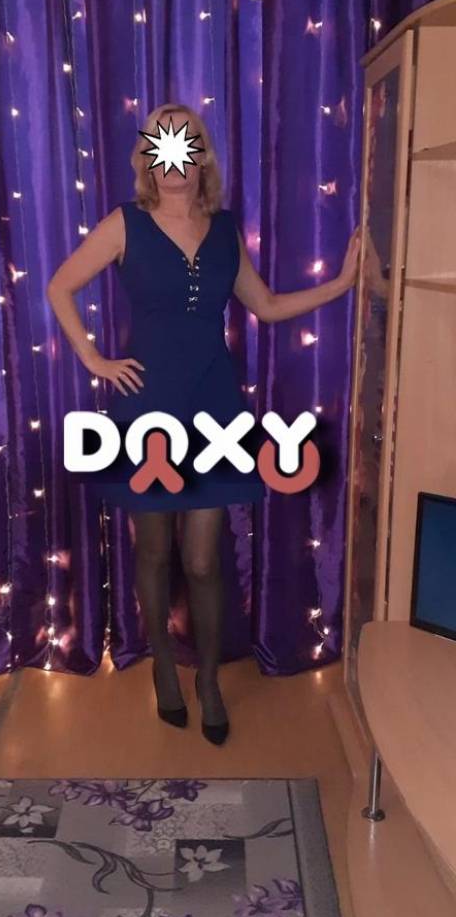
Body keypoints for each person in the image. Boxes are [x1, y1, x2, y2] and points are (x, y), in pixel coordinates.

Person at [47, 102, 361, 746]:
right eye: (161, 147)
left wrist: (340, 285)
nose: (174, 161)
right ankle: (164, 666)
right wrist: (94, 358)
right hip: (145, 408)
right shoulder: (125, 222)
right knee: (154, 551)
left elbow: (266, 304)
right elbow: (59, 286)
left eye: (185, 144)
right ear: (148, 159)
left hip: (214, 408)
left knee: (203, 559)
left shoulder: (222, 230)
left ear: (200, 157)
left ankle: (210, 680)